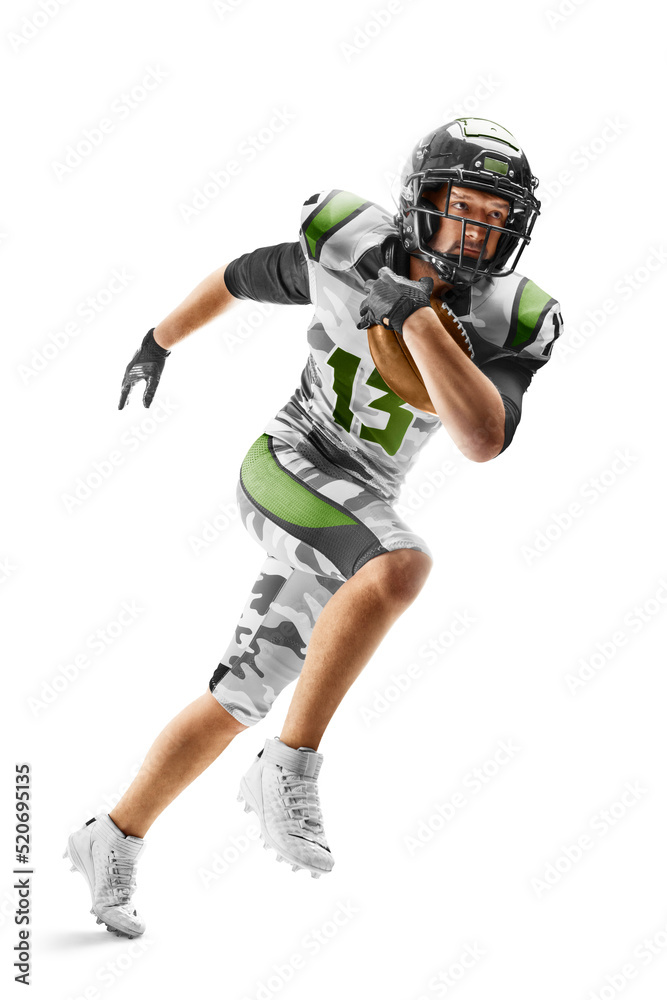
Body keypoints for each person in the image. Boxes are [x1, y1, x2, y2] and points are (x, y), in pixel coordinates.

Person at [63, 117, 563, 939]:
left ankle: (110, 835)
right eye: (462, 209)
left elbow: (481, 438)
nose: (475, 232)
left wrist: (420, 320)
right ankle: (290, 767)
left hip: (357, 501)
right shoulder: (349, 246)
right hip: (288, 462)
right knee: (401, 565)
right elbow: (238, 277)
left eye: (493, 218)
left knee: (239, 695)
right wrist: (157, 338)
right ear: (421, 206)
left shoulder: (513, 317)